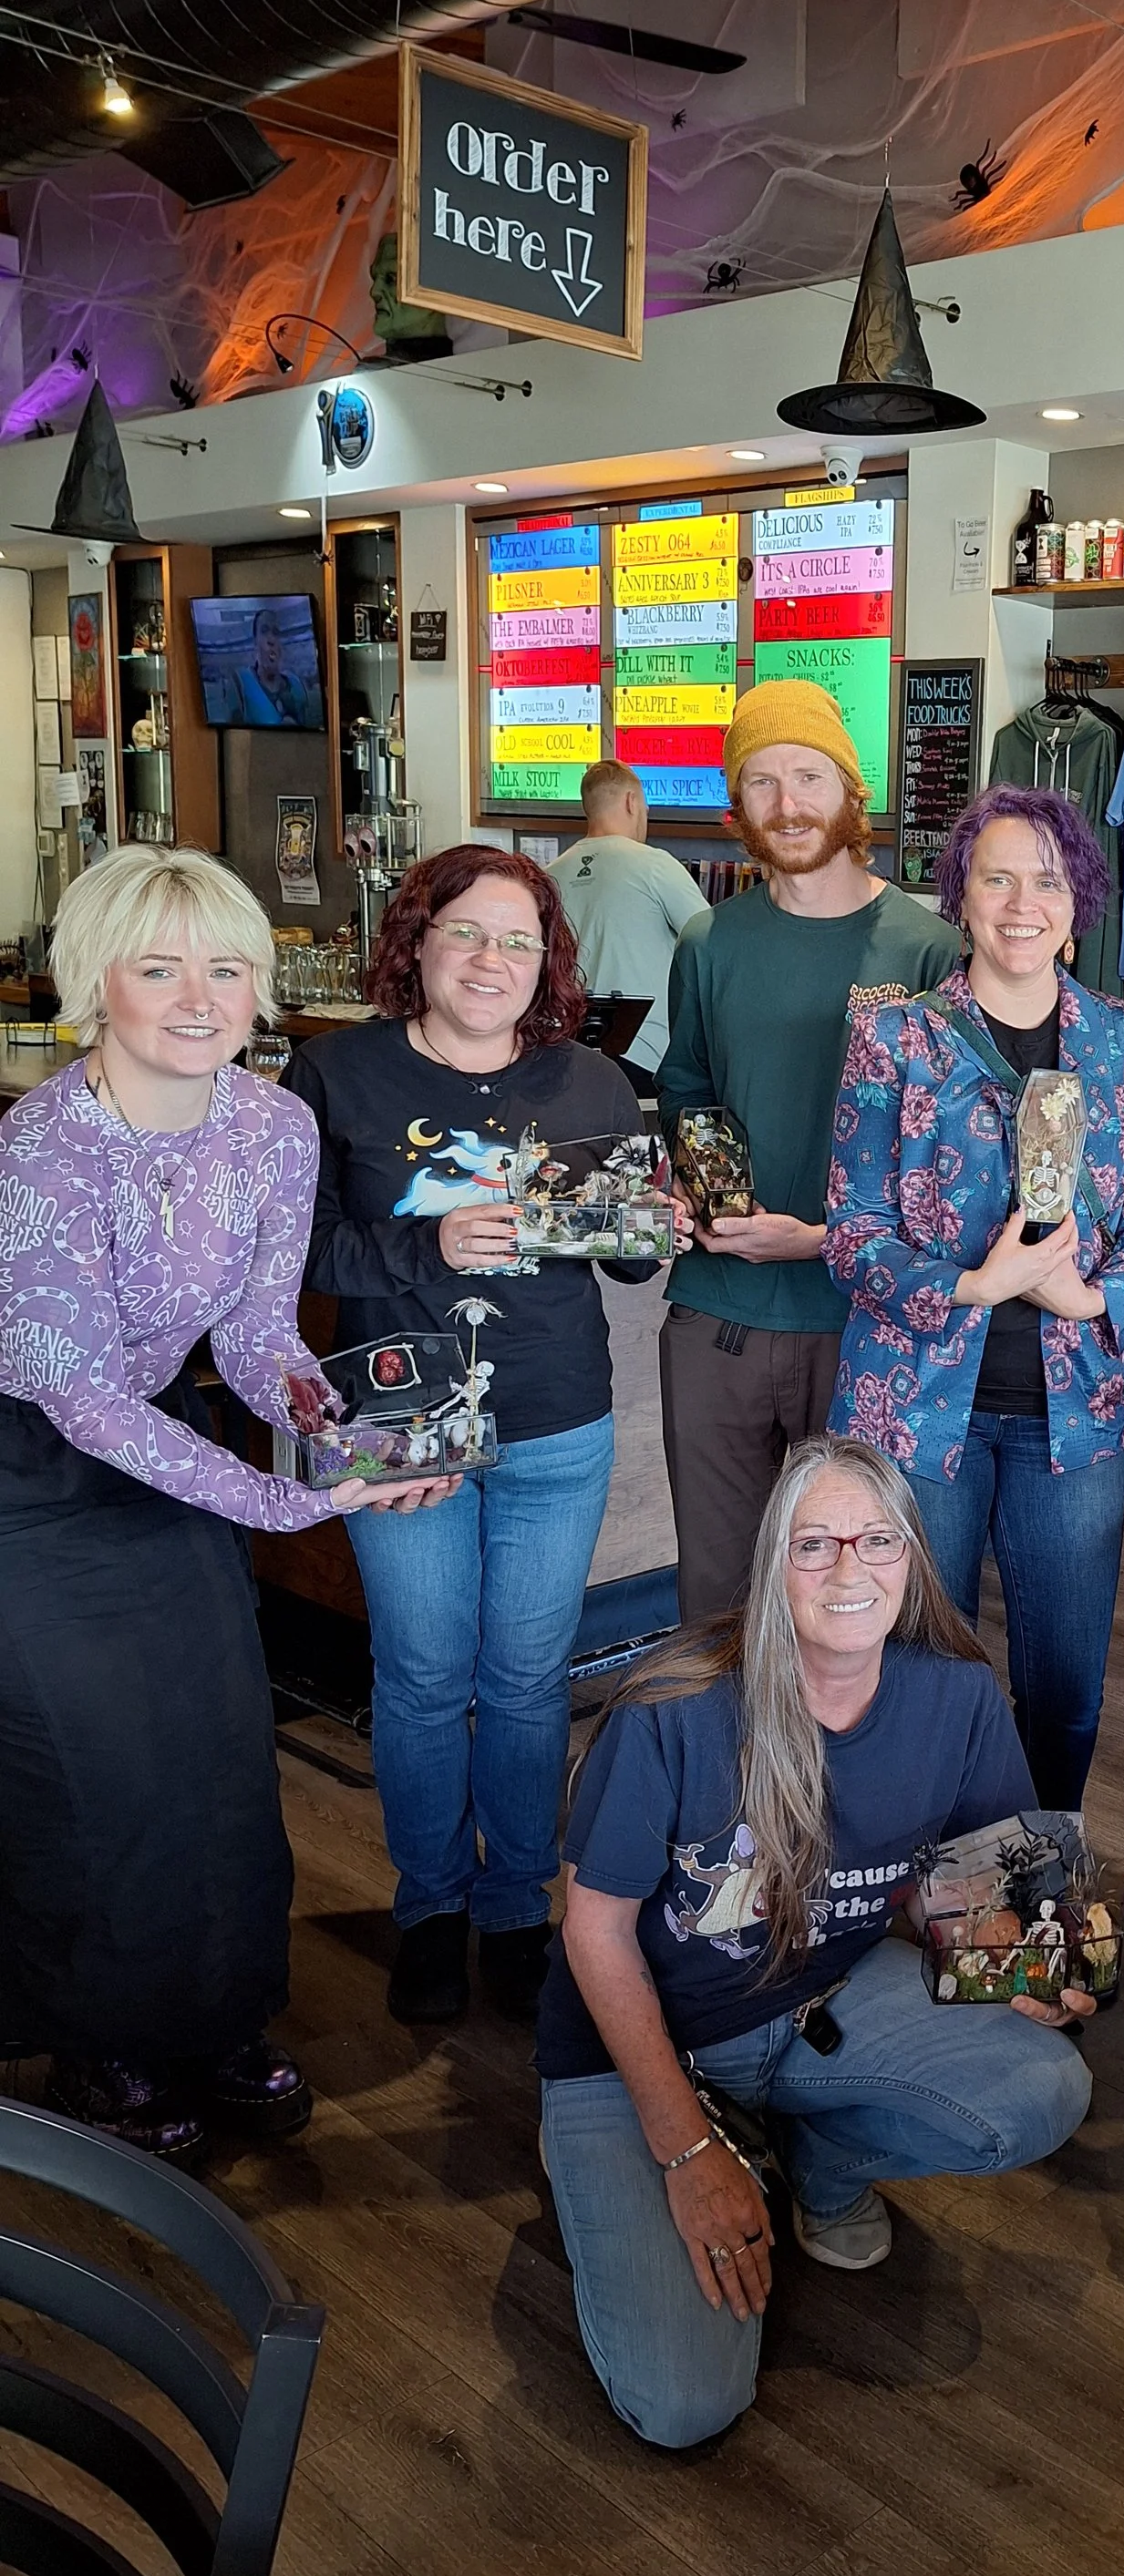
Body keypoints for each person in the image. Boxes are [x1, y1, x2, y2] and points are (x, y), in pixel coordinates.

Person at [0, 849, 444, 2163]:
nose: (200, 997)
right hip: (32, 1468)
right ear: (96, 986)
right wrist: (278, 1502)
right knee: (94, 1772)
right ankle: (103, 2042)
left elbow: (257, 1334)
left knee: (212, 1752)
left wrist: (330, 1431)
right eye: (159, 967)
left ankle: (215, 2019)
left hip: (169, 1447)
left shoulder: (271, 1126)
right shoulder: (41, 1150)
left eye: (227, 967)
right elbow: (81, 1401)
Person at [537, 1435, 1093, 2448]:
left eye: (877, 1540)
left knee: (1044, 2087)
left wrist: (1022, 1966)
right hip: (634, 2052)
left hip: (813, 2002)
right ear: (771, 1566)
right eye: (815, 1545)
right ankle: (698, 2149)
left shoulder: (959, 1694)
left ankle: (821, 2154)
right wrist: (685, 2147)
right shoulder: (672, 1706)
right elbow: (594, 1928)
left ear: (912, 1558)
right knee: (683, 2409)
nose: (849, 1570)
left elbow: (964, 1892)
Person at [286, 844, 675, 2029]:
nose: (490, 960)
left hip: (558, 1412)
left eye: (517, 939)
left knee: (523, 1682)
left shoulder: (590, 1080)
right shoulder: (333, 1073)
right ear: (418, 941)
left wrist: (657, 1222)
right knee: (415, 1678)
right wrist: (426, 1247)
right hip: (394, 1411)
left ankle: (513, 1905)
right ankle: (428, 1906)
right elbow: (290, 1255)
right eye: (466, 932)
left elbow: (629, 1256)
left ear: (547, 959)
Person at [824, 790, 1124, 1807]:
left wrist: (1089, 1299)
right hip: (917, 1414)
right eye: (997, 877)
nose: (1022, 903)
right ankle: (930, 1881)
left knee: (1066, 1688)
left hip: (1073, 1423)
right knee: (920, 1675)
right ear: (961, 895)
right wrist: (974, 1285)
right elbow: (851, 1231)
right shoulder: (895, 1040)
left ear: (1079, 907)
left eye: (1049, 881)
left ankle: (1042, 1877)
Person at [656, 681, 960, 1625]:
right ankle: (732, 1770)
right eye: (761, 783)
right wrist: (694, 1193)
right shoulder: (709, 943)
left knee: (856, 1592)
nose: (787, 804)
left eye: (807, 776)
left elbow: (955, 1157)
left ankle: (847, 1771)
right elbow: (687, 1091)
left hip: (866, 1316)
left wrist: (824, 1237)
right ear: (734, 806)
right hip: (720, 1313)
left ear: (850, 790)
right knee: (718, 1592)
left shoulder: (929, 949)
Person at [550, 761, 710, 1091]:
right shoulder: (654, 864)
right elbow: (712, 944)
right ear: (631, 802)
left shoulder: (547, 877)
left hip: (565, 1054)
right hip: (645, 1055)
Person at [212, 605, 321, 730]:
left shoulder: (296, 684)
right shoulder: (240, 682)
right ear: (255, 642)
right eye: (264, 631)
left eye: (276, 633)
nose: (271, 640)